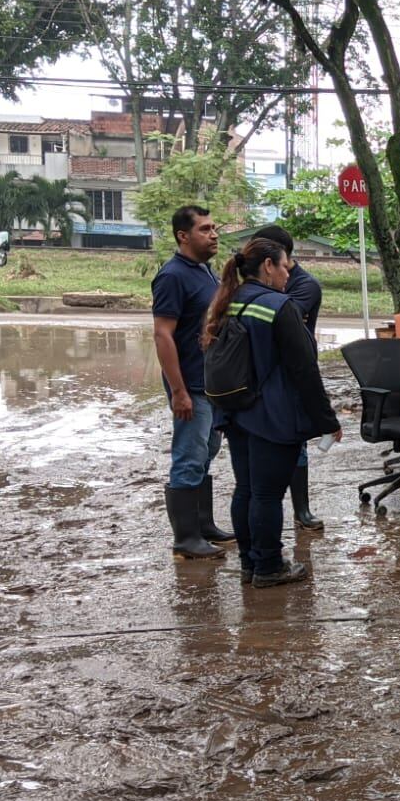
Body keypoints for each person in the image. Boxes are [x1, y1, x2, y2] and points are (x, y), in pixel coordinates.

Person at [200, 237, 343, 588]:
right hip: (272, 417)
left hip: (235, 413)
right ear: (268, 266)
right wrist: (327, 421)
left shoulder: (228, 301)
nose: (287, 274)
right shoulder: (280, 307)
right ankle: (269, 567)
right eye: (284, 266)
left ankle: (250, 564)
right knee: (267, 494)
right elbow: (304, 371)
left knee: (246, 489)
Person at [152, 204, 233, 559]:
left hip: (212, 383)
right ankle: (185, 539)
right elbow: (162, 335)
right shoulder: (173, 276)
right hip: (192, 386)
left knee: (206, 452)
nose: (213, 234)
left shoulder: (206, 272)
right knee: (189, 456)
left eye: (214, 228)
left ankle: (203, 524)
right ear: (183, 236)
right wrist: (179, 391)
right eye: (204, 229)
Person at [256, 225, 326, 532]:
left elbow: (280, 320)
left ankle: (302, 510)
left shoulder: (305, 285)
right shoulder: (258, 283)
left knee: (297, 443)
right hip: (263, 372)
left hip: (293, 374)